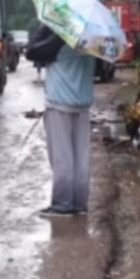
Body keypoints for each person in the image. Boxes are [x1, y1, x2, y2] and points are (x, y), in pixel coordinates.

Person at [38, 29, 96, 217]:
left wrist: (44, 29)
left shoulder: (58, 42)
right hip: (82, 106)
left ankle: (62, 205)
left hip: (59, 104)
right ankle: (79, 203)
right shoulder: (92, 45)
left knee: (62, 156)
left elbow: (31, 51)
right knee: (81, 158)